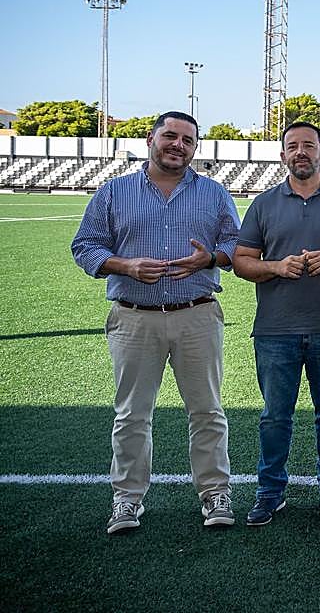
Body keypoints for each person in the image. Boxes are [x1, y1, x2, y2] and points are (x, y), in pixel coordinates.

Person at [71, 111, 239, 534]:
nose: (177, 145)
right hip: (134, 319)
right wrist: (124, 265)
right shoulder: (114, 192)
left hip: (197, 314)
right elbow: (85, 245)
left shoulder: (215, 194)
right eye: (170, 136)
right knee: (131, 414)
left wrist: (211, 258)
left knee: (207, 411)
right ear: (151, 138)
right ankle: (126, 500)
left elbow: (236, 244)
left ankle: (215, 493)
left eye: (187, 140)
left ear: (195, 147)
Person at [233, 122, 320, 526]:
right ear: (282, 156)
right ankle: (270, 492)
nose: (301, 152)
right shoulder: (263, 204)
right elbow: (242, 261)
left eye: (308, 146)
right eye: (292, 146)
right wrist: (276, 267)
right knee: (274, 416)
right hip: (275, 330)